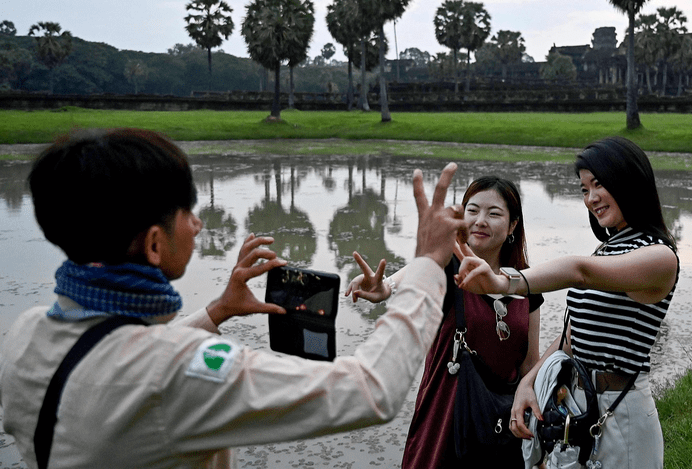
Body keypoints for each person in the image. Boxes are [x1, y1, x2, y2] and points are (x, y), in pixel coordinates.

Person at [0, 128, 467, 469]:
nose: (199, 225)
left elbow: (113, 368)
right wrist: (427, 263)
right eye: (187, 212)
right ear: (155, 245)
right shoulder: (181, 369)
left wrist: (218, 311)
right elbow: (371, 391)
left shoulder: (26, 334)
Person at [456, 136, 680, 469]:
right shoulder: (609, 249)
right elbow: (573, 336)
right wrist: (529, 382)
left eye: (599, 185)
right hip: (579, 402)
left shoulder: (660, 258)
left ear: (629, 181)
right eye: (584, 189)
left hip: (621, 414)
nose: (591, 198)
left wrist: (505, 282)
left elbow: (579, 271)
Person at [346, 176, 544, 468]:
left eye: (494, 213)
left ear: (513, 225)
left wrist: (537, 441)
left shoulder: (526, 284)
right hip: (444, 423)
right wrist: (384, 288)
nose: (480, 221)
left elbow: (530, 366)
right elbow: (414, 274)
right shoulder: (448, 268)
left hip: (502, 430)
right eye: (472, 210)